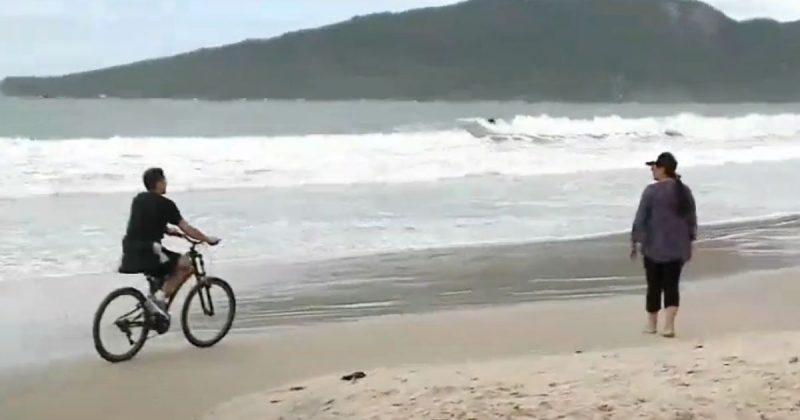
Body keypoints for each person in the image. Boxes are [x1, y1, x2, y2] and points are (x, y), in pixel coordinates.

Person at [118, 168, 219, 320]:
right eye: (164, 181)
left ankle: (154, 308)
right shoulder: (166, 204)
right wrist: (206, 238)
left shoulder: (138, 200)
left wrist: (168, 230)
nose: (166, 184)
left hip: (130, 251)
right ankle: (159, 298)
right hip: (151, 254)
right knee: (186, 265)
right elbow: (186, 227)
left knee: (165, 265)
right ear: (159, 183)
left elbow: (144, 224)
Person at [630, 152, 697, 338]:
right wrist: (690, 241)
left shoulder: (651, 191)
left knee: (653, 286)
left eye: (654, 166)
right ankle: (669, 326)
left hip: (654, 247)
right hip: (677, 247)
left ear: (663, 169)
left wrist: (635, 241)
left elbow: (641, 218)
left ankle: (652, 325)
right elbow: (691, 220)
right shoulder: (684, 191)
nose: (652, 169)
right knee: (671, 286)